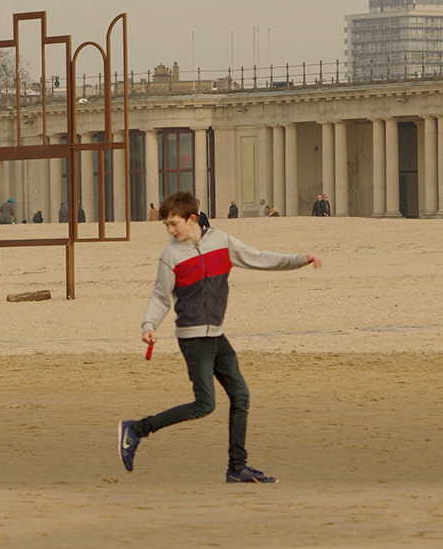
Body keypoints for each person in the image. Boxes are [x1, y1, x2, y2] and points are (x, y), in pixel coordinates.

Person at [120, 190, 322, 484]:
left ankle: (237, 468)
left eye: (174, 224)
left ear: (192, 219)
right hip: (192, 338)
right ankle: (135, 430)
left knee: (241, 396)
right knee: (205, 404)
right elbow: (160, 296)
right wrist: (149, 324)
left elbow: (259, 258)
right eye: (166, 226)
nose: (170, 230)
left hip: (217, 335)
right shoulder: (171, 255)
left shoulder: (222, 242)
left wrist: (299, 259)